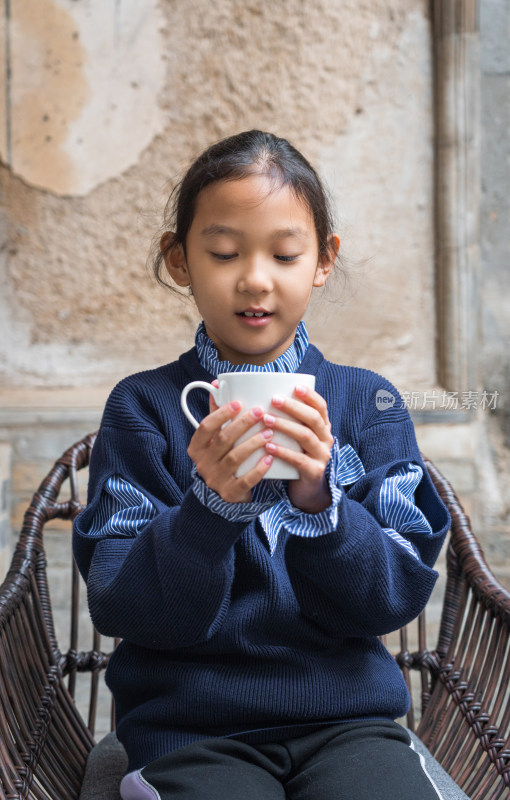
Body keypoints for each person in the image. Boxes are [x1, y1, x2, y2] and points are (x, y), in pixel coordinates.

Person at [73, 129, 451, 800]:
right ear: (180, 259)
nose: (254, 278)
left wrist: (321, 507)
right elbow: (122, 605)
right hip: (188, 730)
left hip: (353, 724)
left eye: (284, 253)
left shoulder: (371, 403)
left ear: (323, 261)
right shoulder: (144, 409)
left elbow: (394, 597)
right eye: (223, 252)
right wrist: (209, 511)